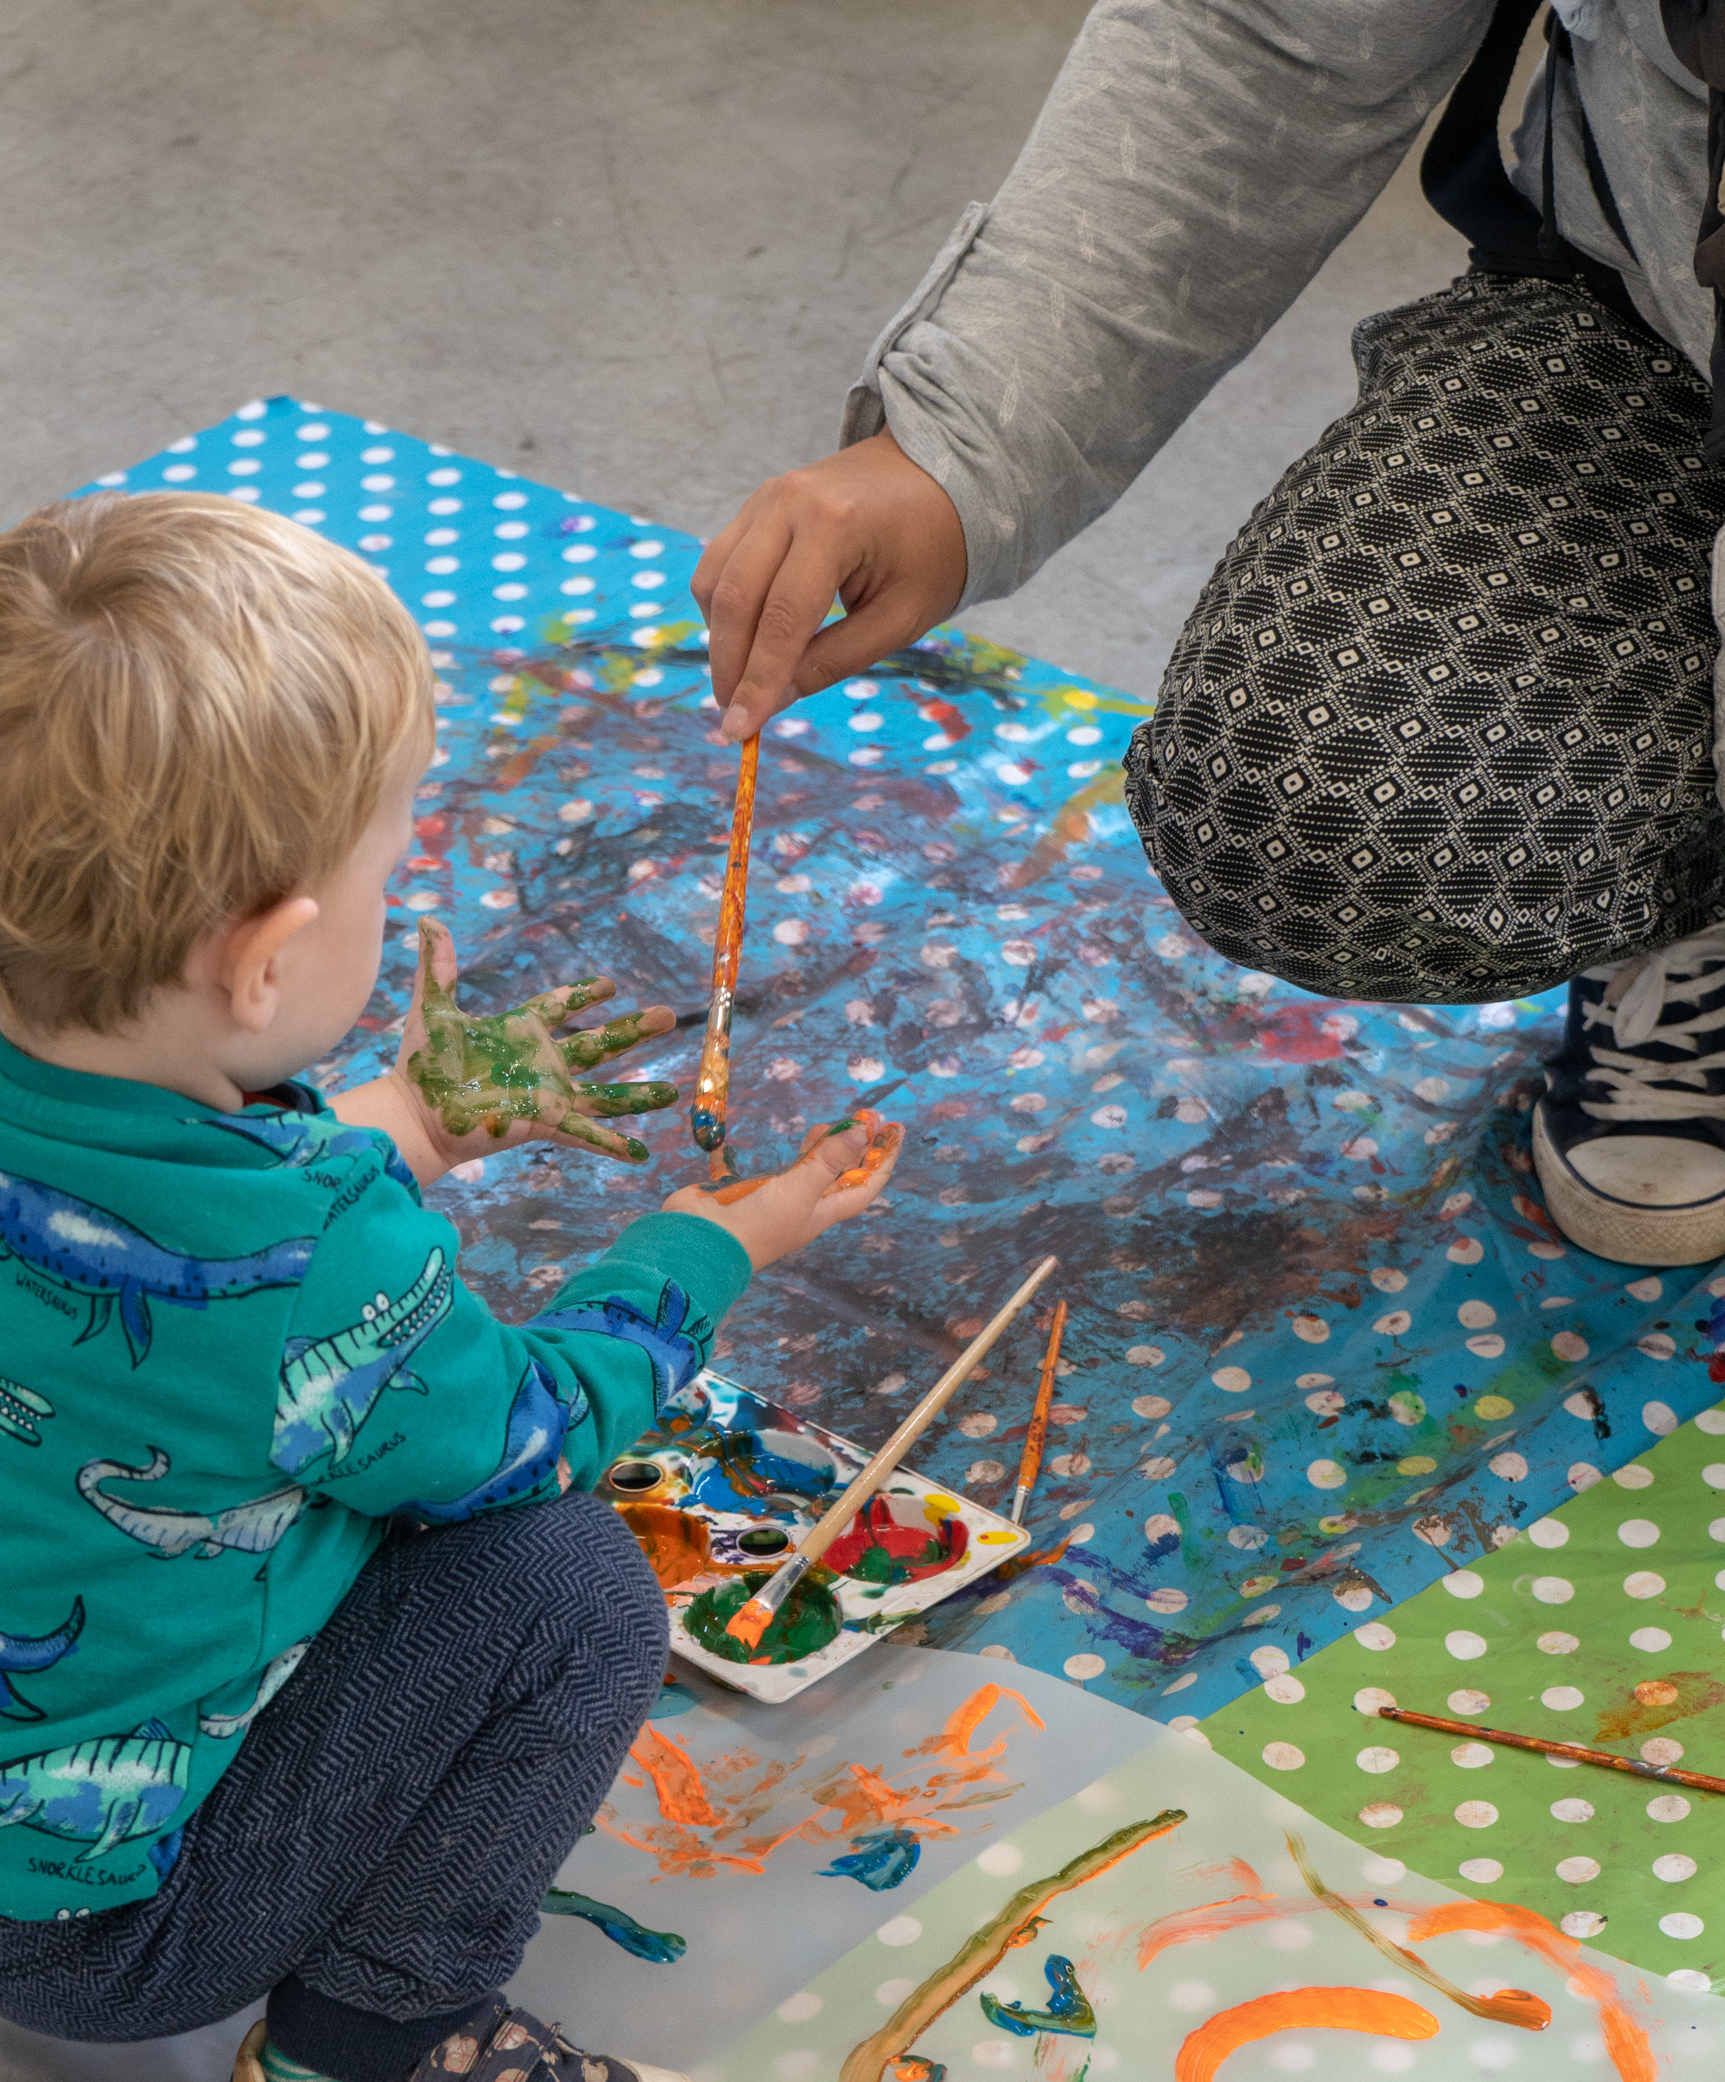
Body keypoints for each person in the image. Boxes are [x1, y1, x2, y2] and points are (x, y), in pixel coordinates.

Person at [0, 493, 902, 2082]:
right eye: (385, 871)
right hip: (104, 1937)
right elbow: (520, 1437)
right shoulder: (324, 1270)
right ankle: (354, 2077)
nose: (399, 902)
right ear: (262, 959)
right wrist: (709, 1249)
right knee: (567, 1588)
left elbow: (184, 1215)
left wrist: (419, 1120)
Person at [697, 0, 1725, 1269]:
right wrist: (958, 454)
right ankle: (1696, 899)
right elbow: (1275, 35)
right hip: (1658, 311)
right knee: (1321, 780)